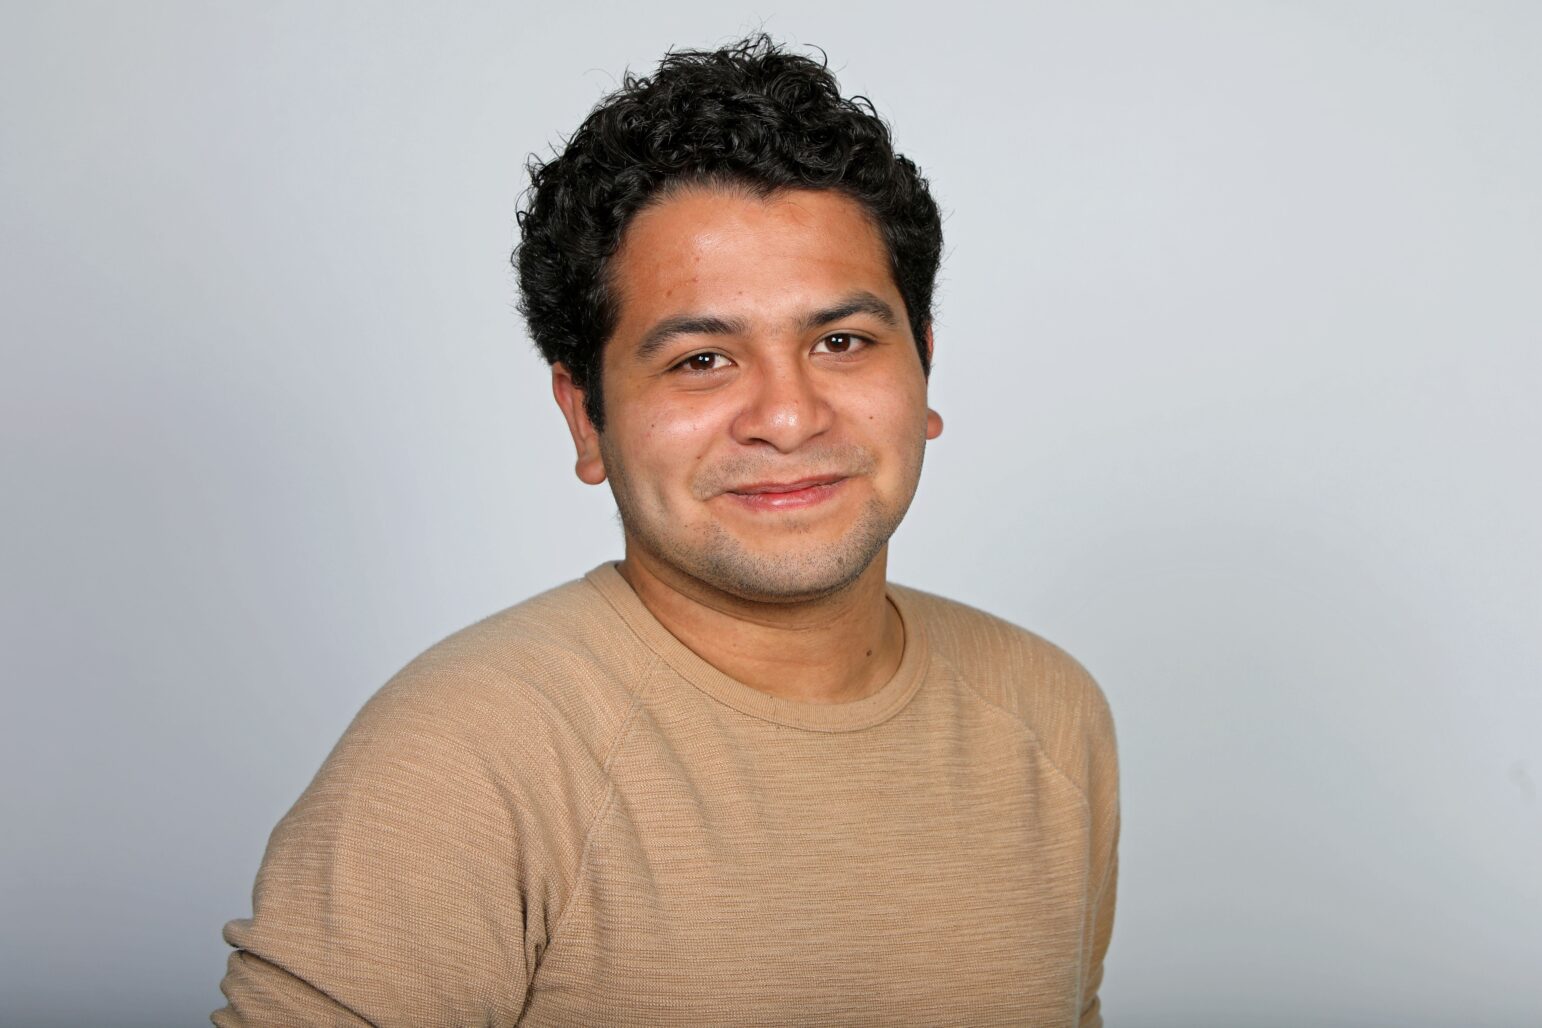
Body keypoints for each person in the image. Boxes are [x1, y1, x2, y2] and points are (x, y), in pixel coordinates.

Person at [214, 34, 1119, 1027]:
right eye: (700, 359)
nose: (788, 414)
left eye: (842, 341)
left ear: (924, 372)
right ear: (585, 414)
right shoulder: (461, 761)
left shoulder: (1050, 713)